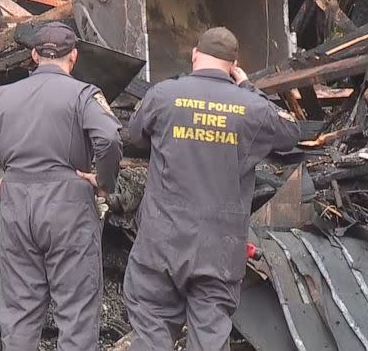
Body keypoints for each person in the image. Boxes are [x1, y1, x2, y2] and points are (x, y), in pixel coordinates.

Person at [124, 27, 300, 350]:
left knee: (151, 334)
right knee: (209, 339)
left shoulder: (163, 95)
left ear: (194, 55)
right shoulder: (253, 108)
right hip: (219, 251)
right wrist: (247, 86)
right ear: (234, 64)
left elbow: (133, 135)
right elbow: (291, 132)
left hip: (161, 243)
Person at [0, 22, 123, 351]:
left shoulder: (0, 97)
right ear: (74, 56)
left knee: (19, 311)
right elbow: (110, 138)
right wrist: (104, 182)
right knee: (76, 312)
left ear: (33, 55)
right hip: (68, 204)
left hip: (15, 203)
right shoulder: (84, 94)